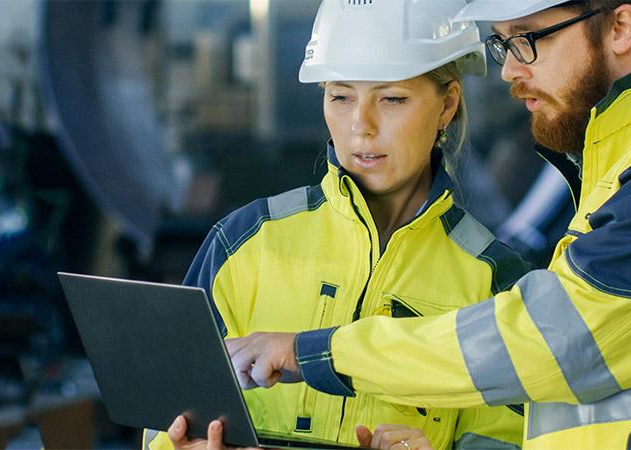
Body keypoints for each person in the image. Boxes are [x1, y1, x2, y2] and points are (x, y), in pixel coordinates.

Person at [227, 0, 631, 449]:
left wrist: (319, 353)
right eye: (503, 42)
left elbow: (558, 340)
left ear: (620, 27)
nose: (509, 69)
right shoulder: (627, 153)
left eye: (527, 39)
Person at [142, 1, 530, 450]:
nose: (360, 126)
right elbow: (163, 418)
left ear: (447, 105)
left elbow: (516, 437)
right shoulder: (245, 241)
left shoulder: (494, 284)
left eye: (392, 99)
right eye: (341, 96)